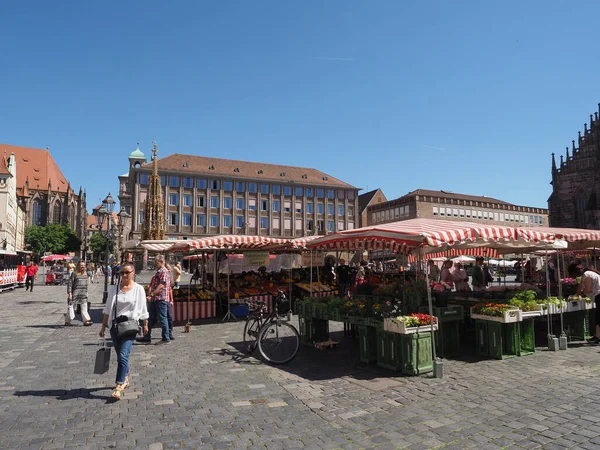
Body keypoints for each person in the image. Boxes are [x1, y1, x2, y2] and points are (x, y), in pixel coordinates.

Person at [99, 262, 149, 400]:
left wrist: (145, 323)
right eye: (122, 273)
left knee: (122, 354)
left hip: (130, 326)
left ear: (133, 273)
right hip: (115, 326)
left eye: (127, 272)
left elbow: (143, 307)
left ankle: (119, 385)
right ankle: (125, 377)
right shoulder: (114, 289)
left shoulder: (138, 289)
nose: (124, 275)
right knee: (121, 356)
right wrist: (103, 325)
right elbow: (108, 308)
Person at [141, 255, 172, 344]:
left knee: (163, 318)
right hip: (155, 298)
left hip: (161, 298)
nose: (155, 264)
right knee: (149, 317)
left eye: (156, 262)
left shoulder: (164, 271)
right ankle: (147, 336)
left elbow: (161, 285)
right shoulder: (159, 271)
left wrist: (152, 294)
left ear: (161, 262)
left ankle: (166, 338)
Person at [572, 265, 600, 344]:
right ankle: (597, 336)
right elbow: (580, 287)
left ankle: (597, 338)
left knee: (598, 317)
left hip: (599, 295)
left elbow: (588, 289)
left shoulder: (587, 274)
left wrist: (582, 292)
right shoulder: (591, 274)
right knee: (598, 316)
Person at [65, 260, 92, 326]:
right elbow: (70, 284)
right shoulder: (74, 274)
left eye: (83, 265)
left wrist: (87, 292)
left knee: (84, 308)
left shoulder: (86, 274)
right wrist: (70, 293)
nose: (82, 266)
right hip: (75, 293)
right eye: (81, 265)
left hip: (83, 293)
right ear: (78, 266)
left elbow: (86, 284)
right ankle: (67, 321)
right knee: (72, 308)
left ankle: (86, 321)